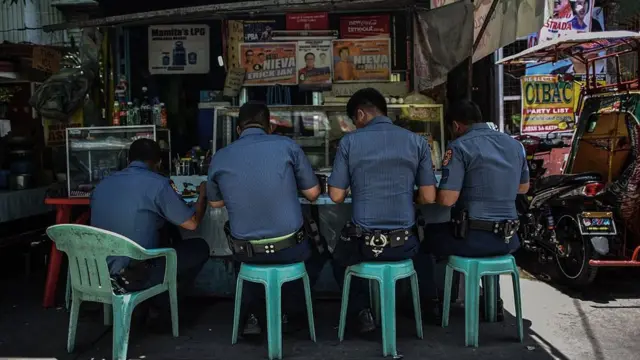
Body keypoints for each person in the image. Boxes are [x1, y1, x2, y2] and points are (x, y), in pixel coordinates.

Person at [207, 101, 325, 336]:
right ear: (269, 126)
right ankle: (289, 312)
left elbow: (215, 203)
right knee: (317, 252)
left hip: (246, 251)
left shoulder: (220, 157)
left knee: (250, 258)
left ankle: (253, 316)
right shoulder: (287, 146)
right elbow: (313, 194)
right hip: (289, 249)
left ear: (239, 129)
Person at [328, 88, 438, 333]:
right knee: (422, 246)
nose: (356, 126)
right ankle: (419, 306)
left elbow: (336, 195)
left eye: (354, 121)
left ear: (360, 114)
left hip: (365, 245)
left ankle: (361, 310)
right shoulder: (417, 141)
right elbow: (429, 197)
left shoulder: (349, 142)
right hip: (404, 243)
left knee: (339, 259)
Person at [419, 100, 528, 321]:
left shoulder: (459, 147)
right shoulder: (515, 145)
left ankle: (429, 305)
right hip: (508, 238)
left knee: (424, 239)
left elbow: (447, 200)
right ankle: (493, 302)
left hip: (473, 238)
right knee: (486, 238)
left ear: (456, 126)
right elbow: (523, 187)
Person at [90, 138, 210, 326]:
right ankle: (160, 304)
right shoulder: (158, 184)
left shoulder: (102, 185)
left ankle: (152, 302)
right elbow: (192, 223)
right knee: (199, 248)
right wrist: (203, 195)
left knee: (163, 234)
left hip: (97, 273)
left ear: (128, 159)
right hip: (131, 276)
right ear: (159, 162)